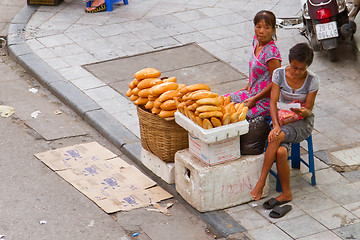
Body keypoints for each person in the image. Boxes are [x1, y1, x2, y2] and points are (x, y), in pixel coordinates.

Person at [250, 43, 320, 208]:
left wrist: (302, 111)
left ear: (307, 67)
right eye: (294, 67)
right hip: (281, 119)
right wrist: (275, 124)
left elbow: (309, 109)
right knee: (280, 151)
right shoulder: (278, 74)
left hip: (302, 122)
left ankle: (261, 181)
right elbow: (273, 103)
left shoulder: (312, 80)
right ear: (289, 62)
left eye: (301, 69)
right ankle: (286, 193)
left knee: (276, 137)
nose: (297, 72)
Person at [224, 10, 281, 119]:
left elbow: (276, 82)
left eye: (267, 28)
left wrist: (255, 99)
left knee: (236, 118)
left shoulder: (272, 53)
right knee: (221, 101)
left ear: (273, 29)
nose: (261, 31)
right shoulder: (256, 41)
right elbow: (256, 71)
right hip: (251, 93)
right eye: (258, 27)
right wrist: (248, 86)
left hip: (264, 101)